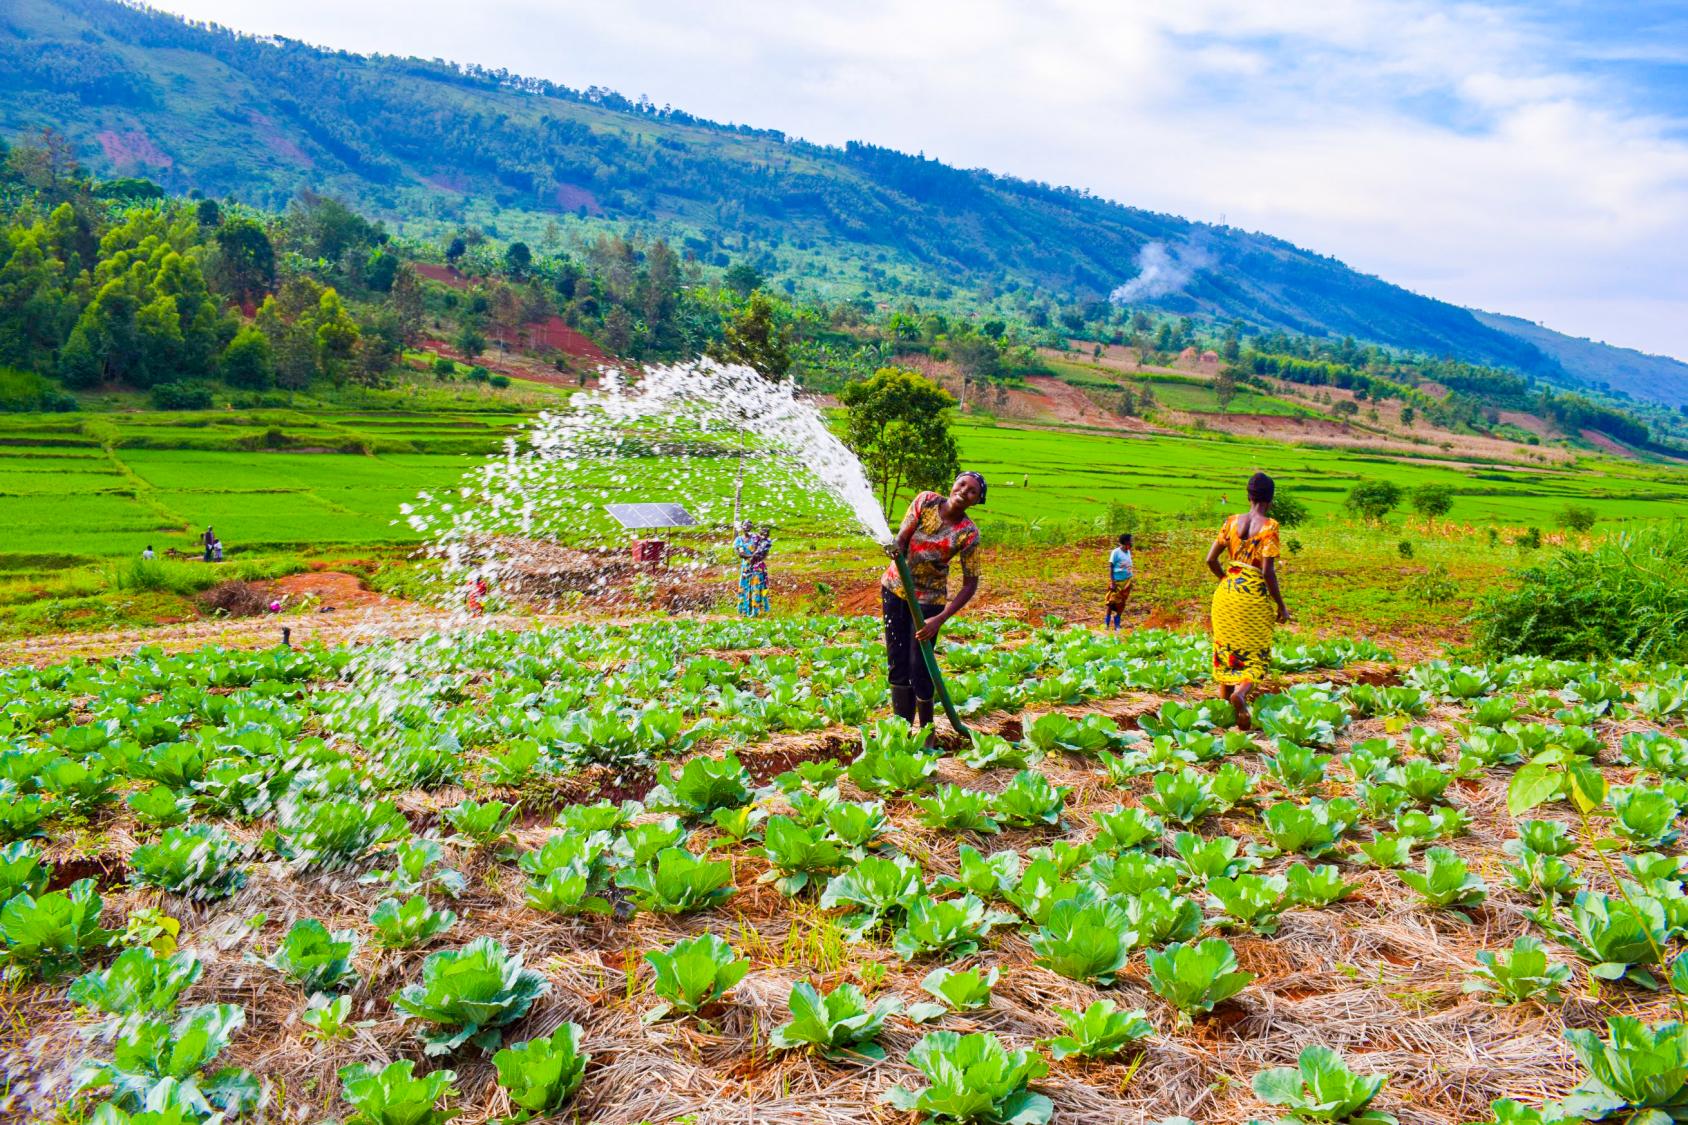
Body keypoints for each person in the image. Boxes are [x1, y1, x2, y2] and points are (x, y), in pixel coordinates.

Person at [882, 472, 986, 736]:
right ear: (953, 484)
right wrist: (894, 549)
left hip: (929, 603)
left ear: (977, 500)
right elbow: (902, 540)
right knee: (897, 662)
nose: (964, 491)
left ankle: (928, 734)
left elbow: (970, 584)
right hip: (895, 589)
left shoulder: (968, 534)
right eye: (962, 484)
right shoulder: (926, 501)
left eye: (972, 491)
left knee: (921, 667)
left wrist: (939, 619)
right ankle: (901, 731)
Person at [1205, 471, 1291, 729]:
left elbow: (1210, 560)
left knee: (1226, 650)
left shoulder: (1231, 522)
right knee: (1255, 655)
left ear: (1248, 496)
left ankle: (1225, 718)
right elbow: (1267, 572)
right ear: (1270, 499)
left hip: (1227, 591)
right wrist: (1281, 605)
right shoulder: (1269, 527)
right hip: (1252, 595)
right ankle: (1240, 694)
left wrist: (1226, 579)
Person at [734, 520, 770, 617]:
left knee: (756, 588)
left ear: (751, 527)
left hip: (757, 567)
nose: (747, 527)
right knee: (745, 587)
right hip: (746, 567)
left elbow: (765, 551)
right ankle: (745, 611)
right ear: (741, 527)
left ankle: (757, 611)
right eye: (745, 526)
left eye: (749, 526)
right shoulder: (739, 540)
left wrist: (758, 557)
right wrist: (752, 556)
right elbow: (741, 554)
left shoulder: (756, 538)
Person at [1104, 533, 1134, 631]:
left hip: (1126, 581)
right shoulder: (1115, 552)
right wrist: (1112, 582)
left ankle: (1117, 623)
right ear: (1125, 542)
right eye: (1131, 540)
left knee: (1122, 603)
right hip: (1117, 581)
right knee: (1111, 602)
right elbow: (1111, 567)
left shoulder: (1128, 551)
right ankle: (1107, 624)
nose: (1132, 542)